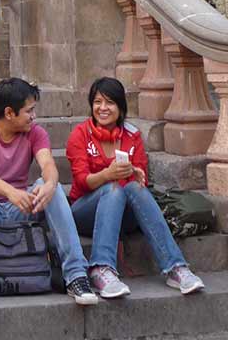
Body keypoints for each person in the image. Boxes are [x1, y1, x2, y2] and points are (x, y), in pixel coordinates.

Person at [0, 77, 97, 311]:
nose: (34, 116)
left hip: (21, 207)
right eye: (29, 111)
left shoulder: (35, 133)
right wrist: (10, 191)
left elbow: (48, 164)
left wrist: (51, 184)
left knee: (47, 184)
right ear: (9, 113)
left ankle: (75, 275)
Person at [66, 76, 205, 298]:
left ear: (120, 107)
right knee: (113, 189)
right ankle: (101, 268)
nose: (103, 108)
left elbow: (141, 180)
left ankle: (176, 268)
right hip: (85, 210)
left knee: (135, 189)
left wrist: (136, 176)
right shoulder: (80, 135)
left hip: (124, 213)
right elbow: (82, 181)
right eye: (97, 102)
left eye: (109, 103)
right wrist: (107, 174)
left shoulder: (132, 136)